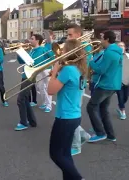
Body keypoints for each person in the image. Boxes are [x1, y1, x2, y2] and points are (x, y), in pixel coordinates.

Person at [47, 39, 86, 180]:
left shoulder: (68, 70)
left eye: (63, 50)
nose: (61, 52)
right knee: (65, 154)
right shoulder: (79, 69)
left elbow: (50, 90)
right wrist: (56, 74)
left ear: (69, 52)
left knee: (56, 154)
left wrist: (54, 72)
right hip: (74, 116)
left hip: (65, 117)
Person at [87, 31, 123, 142]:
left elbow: (101, 70)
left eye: (102, 38)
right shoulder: (115, 51)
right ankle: (110, 135)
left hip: (105, 85)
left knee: (91, 107)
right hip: (112, 85)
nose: (101, 40)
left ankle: (100, 133)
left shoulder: (109, 53)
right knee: (103, 109)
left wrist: (90, 61)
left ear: (107, 39)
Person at [14, 34, 52, 131]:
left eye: (32, 39)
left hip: (30, 77)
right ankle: (32, 121)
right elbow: (21, 62)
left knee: (20, 99)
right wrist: (19, 53)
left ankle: (23, 122)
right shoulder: (31, 50)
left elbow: (34, 63)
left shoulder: (41, 50)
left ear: (37, 40)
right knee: (25, 99)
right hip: (25, 75)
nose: (30, 40)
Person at [66, 24, 91, 156]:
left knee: (71, 115)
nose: (67, 37)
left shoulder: (85, 47)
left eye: (70, 35)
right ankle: (83, 135)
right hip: (74, 82)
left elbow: (82, 65)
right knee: (71, 114)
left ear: (78, 35)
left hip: (76, 83)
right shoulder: (77, 47)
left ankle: (76, 145)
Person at [35, 29, 55, 113]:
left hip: (47, 68)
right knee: (40, 87)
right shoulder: (44, 44)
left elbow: (52, 57)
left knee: (47, 87)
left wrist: (48, 36)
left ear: (51, 36)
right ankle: (44, 102)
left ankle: (49, 105)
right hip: (40, 67)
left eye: (46, 35)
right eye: (44, 35)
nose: (45, 36)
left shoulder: (53, 44)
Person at [116, 41, 129, 120]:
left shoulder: (128, 56)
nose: (121, 47)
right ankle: (122, 111)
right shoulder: (115, 56)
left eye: (123, 45)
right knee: (120, 97)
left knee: (126, 96)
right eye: (120, 46)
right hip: (118, 81)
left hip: (127, 80)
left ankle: (121, 105)